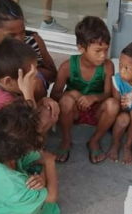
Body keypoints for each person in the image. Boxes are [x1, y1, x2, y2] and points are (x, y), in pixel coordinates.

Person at [0, 37, 59, 161]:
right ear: (8, 81)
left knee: (47, 109)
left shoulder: (4, 89)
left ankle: (31, 153)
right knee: (41, 121)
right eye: (30, 77)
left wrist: (44, 99)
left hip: (0, 147)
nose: (35, 80)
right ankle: (28, 159)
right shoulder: (4, 102)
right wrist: (28, 92)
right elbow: (30, 126)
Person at [50, 16, 119, 164]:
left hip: (96, 111)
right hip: (73, 111)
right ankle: (66, 140)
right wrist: (72, 93)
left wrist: (94, 98)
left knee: (113, 104)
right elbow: (54, 95)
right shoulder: (67, 66)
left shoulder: (107, 66)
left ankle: (94, 140)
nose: (103, 56)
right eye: (98, 50)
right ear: (81, 48)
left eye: (106, 50)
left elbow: (108, 94)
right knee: (66, 100)